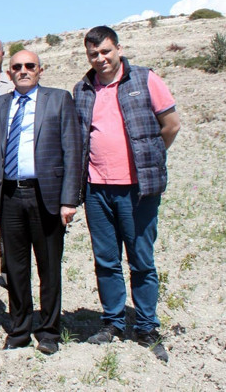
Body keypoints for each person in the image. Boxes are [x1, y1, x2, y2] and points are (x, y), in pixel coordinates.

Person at [75, 26, 180, 362]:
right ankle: (113, 322)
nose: (101, 59)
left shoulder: (145, 79)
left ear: (118, 48)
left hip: (138, 190)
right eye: (94, 54)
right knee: (106, 260)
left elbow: (171, 124)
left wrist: (150, 158)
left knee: (141, 259)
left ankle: (147, 325)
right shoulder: (84, 88)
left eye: (105, 51)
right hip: (97, 189)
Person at [0, 50, 81, 355]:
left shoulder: (58, 99)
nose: (23, 70)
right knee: (15, 267)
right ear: (8, 73)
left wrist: (69, 199)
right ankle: (20, 328)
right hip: (9, 195)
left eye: (29, 66)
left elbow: (72, 151)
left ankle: (49, 331)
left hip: (46, 196)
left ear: (40, 69)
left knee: (49, 267)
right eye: (16, 67)